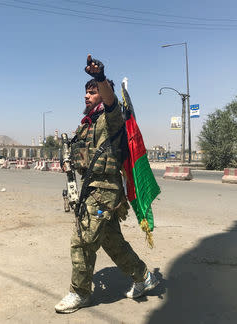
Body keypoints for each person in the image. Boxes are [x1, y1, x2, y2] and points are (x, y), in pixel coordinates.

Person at [54, 54, 159, 314]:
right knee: (111, 241)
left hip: (105, 192)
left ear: (103, 93)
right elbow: (85, 154)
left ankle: (79, 292)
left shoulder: (111, 118)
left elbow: (111, 102)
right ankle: (144, 276)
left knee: (82, 240)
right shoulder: (87, 124)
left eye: (92, 92)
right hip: (94, 189)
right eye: (86, 92)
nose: (87, 96)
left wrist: (100, 77)